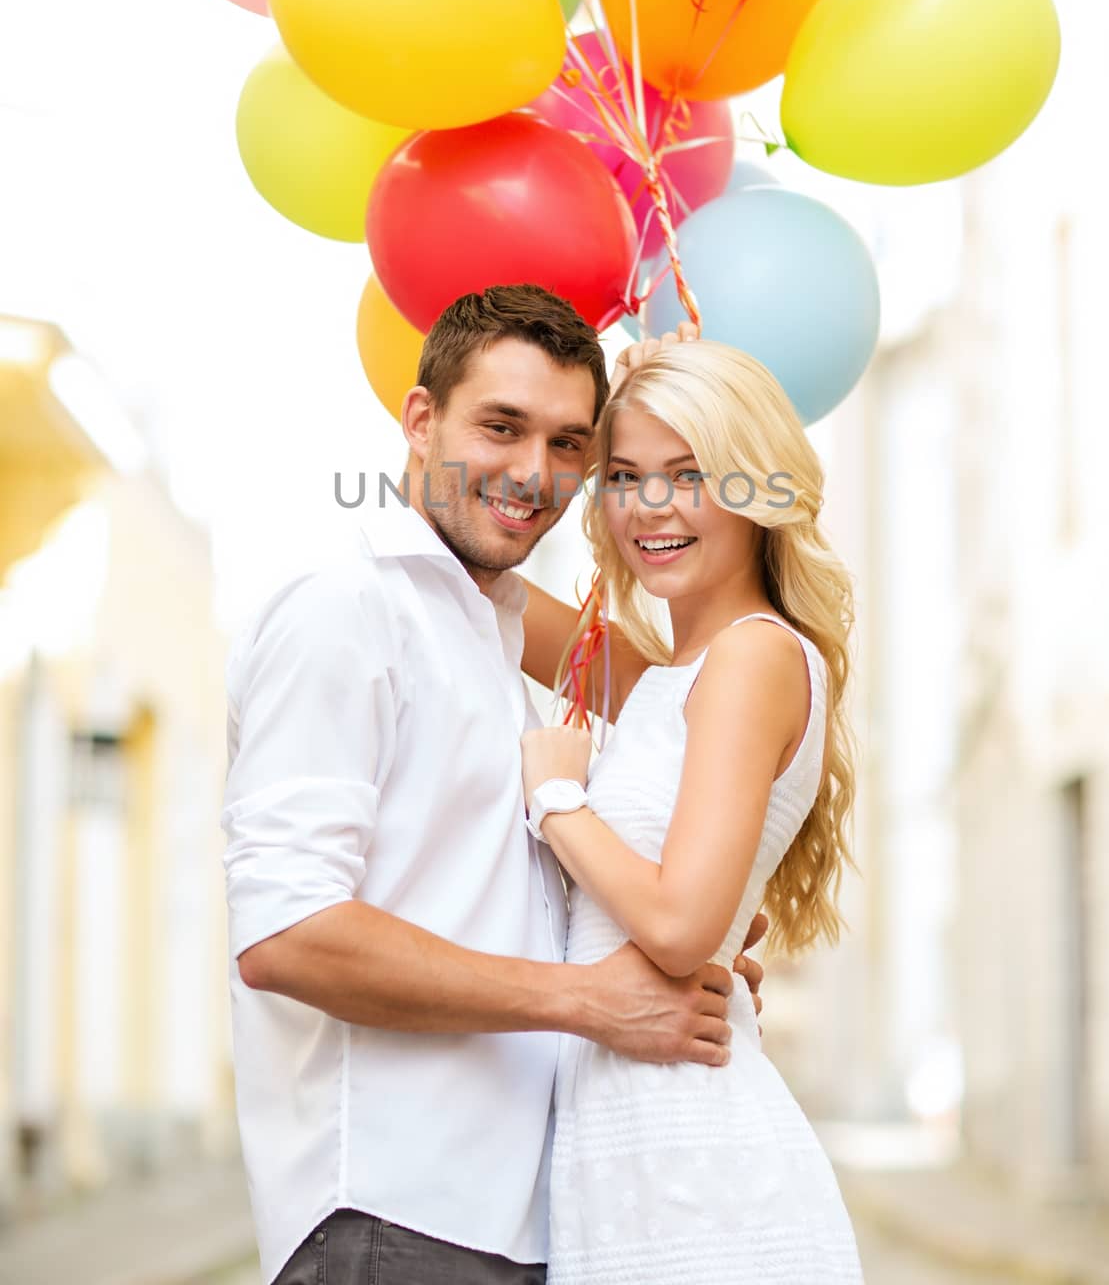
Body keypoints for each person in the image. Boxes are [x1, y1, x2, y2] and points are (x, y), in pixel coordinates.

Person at [221, 285, 765, 1285]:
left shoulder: (490, 621)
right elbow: (286, 932)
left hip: (518, 1218)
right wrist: (593, 1001)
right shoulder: (345, 606)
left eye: (569, 444)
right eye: (502, 426)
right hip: (392, 1213)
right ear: (420, 419)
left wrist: (691, 937)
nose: (531, 473)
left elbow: (681, 709)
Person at [518, 325, 865, 1283]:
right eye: (624, 476)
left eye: (691, 470)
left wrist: (558, 800)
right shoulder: (666, 675)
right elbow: (486, 583)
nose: (651, 506)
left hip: (699, 1173)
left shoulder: (754, 656)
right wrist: (596, 392)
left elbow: (678, 927)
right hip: (626, 1158)